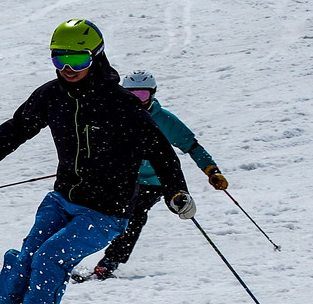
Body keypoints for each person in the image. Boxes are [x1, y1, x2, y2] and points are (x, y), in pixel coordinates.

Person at [0, 19, 194, 304]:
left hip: (106, 212)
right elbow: (19, 127)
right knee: (22, 259)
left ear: (96, 57)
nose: (68, 68)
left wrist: (175, 193)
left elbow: (159, 150)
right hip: (61, 199)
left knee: (49, 259)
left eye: (78, 60)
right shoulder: (52, 95)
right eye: (59, 59)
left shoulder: (120, 103)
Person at [83, 71, 229, 280]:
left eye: (142, 95)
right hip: (123, 177)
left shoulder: (165, 120)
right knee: (98, 210)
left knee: (135, 214)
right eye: (132, 94)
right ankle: (73, 255)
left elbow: (192, 146)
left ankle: (108, 263)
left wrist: (211, 170)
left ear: (152, 94)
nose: (137, 100)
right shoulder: (116, 115)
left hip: (153, 181)